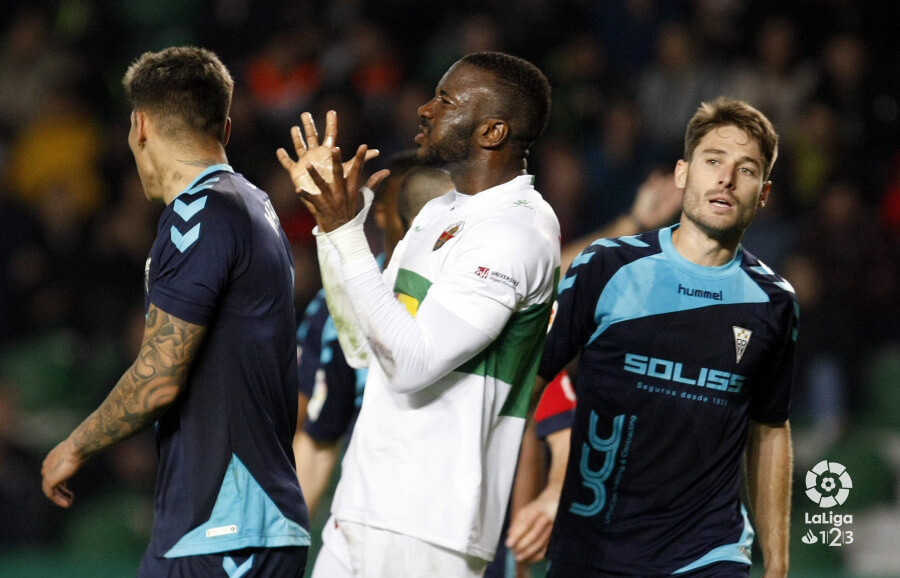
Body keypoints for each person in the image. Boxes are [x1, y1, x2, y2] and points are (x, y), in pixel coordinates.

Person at [277, 52, 559, 577]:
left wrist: (345, 236)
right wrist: (334, 225)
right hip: (361, 506)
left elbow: (412, 365)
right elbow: (366, 348)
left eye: (446, 100)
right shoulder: (438, 212)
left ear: (493, 131)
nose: (425, 109)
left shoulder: (517, 232)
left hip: (433, 529)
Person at [40, 46, 310, 576]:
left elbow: (158, 378)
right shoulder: (254, 204)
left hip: (224, 527)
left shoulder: (199, 213)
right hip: (237, 522)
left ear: (139, 125)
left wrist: (74, 445)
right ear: (226, 129)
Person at [535, 97, 796, 577]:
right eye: (713, 161)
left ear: (762, 194)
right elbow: (532, 380)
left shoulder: (774, 303)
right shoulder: (606, 266)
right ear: (682, 174)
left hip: (709, 554)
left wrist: (777, 564)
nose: (726, 178)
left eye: (747, 169)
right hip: (594, 547)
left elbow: (770, 428)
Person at [293, 151, 453, 517]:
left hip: (452, 510)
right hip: (371, 506)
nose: (423, 219)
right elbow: (318, 433)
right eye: (411, 205)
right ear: (380, 213)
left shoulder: (471, 294)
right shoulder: (336, 306)